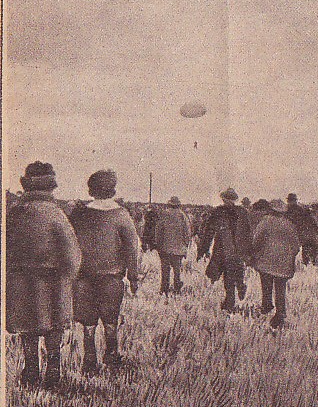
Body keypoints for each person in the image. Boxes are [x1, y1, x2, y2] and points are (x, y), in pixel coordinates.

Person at [6, 161, 81, 388]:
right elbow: (72, 254)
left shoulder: (14, 213)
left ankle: (30, 370)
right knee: (54, 329)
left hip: (20, 281)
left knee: (27, 330)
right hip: (52, 283)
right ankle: (53, 371)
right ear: (50, 187)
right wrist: (69, 277)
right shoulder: (57, 214)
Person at [69, 170, 139, 374]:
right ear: (113, 189)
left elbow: (70, 245)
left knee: (88, 323)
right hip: (111, 279)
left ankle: (89, 361)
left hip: (83, 278)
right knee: (110, 321)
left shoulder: (79, 214)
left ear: (91, 190)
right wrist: (133, 277)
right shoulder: (121, 215)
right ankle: (112, 358)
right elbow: (131, 249)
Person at [197, 188, 252, 313]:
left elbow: (208, 233)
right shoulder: (243, 212)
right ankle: (238, 288)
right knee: (234, 273)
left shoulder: (218, 212)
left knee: (228, 277)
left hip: (223, 250)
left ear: (224, 199)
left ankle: (230, 302)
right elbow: (249, 233)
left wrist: (203, 250)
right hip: (236, 251)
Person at [253, 199, 300, 329]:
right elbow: (296, 246)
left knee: (266, 285)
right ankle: (281, 312)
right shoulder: (289, 225)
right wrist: (289, 257)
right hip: (284, 264)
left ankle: (266, 306)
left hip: (266, 262)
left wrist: (256, 253)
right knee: (280, 289)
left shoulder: (265, 221)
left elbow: (257, 239)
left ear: (271, 210)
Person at [155, 196, 192, 295]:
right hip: (178, 250)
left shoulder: (164, 214)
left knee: (165, 271)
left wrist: (158, 245)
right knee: (177, 271)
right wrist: (185, 245)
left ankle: (164, 290)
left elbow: (158, 232)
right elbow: (187, 233)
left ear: (169, 204)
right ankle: (177, 289)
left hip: (165, 249)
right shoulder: (183, 216)